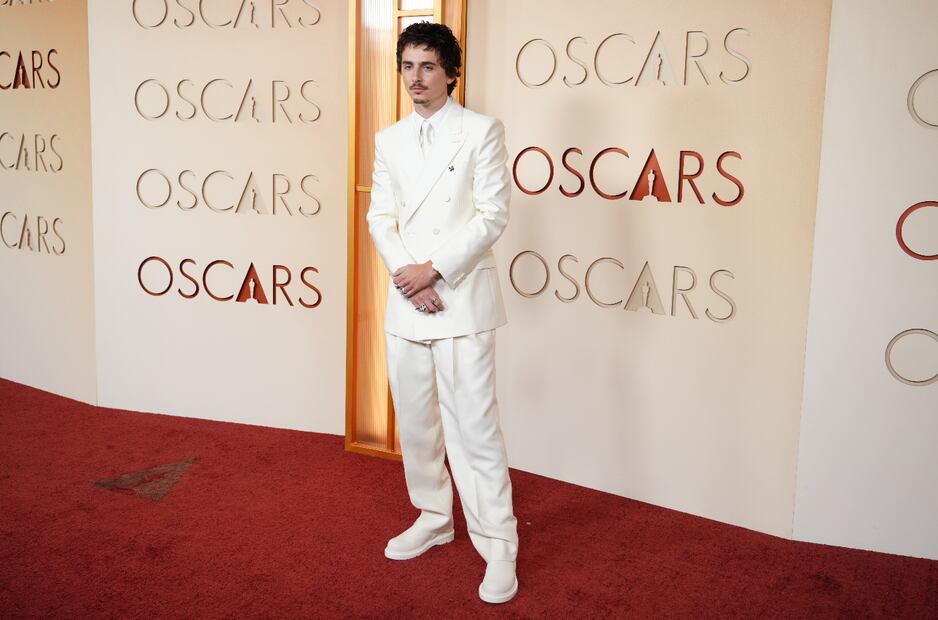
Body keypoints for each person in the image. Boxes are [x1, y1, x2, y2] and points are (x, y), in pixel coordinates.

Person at [365, 21, 518, 605]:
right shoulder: (389, 139)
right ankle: (433, 516)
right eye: (407, 66)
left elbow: (491, 216)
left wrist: (435, 270)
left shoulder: (481, 131)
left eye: (427, 66)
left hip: (460, 302)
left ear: (451, 72)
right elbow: (381, 217)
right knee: (417, 424)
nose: (415, 78)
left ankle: (499, 545)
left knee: (474, 430)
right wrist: (409, 276)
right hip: (408, 304)